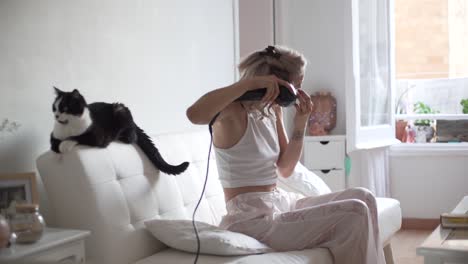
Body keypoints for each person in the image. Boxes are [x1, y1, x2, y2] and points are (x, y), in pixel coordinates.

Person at [186, 45, 385, 264]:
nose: (298, 93)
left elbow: (285, 168)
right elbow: (194, 114)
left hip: (279, 203)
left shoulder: (272, 111)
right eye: (296, 85)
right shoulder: (233, 111)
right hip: (249, 219)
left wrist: (301, 124)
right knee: (355, 212)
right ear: (276, 83)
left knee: (364, 196)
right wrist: (249, 84)